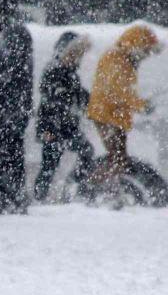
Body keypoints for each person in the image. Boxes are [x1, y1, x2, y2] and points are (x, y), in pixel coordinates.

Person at [86, 25, 162, 206]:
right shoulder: (116, 58)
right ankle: (92, 187)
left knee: (118, 158)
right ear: (136, 45)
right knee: (118, 158)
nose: (147, 56)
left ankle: (108, 190)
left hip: (114, 116)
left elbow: (123, 91)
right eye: (146, 51)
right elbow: (118, 90)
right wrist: (141, 106)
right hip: (107, 116)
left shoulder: (125, 58)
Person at [33, 32, 94, 202]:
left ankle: (72, 184)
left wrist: (92, 102)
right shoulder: (54, 70)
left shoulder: (70, 72)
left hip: (66, 126)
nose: (79, 58)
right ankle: (41, 196)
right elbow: (55, 100)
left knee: (84, 151)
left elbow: (78, 96)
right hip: (52, 127)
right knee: (50, 165)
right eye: (76, 53)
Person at [0, 0, 34, 214]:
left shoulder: (12, 34)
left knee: (9, 151)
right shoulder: (15, 33)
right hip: (12, 105)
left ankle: (9, 197)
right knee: (10, 151)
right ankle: (9, 196)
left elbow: (6, 70)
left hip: (9, 106)